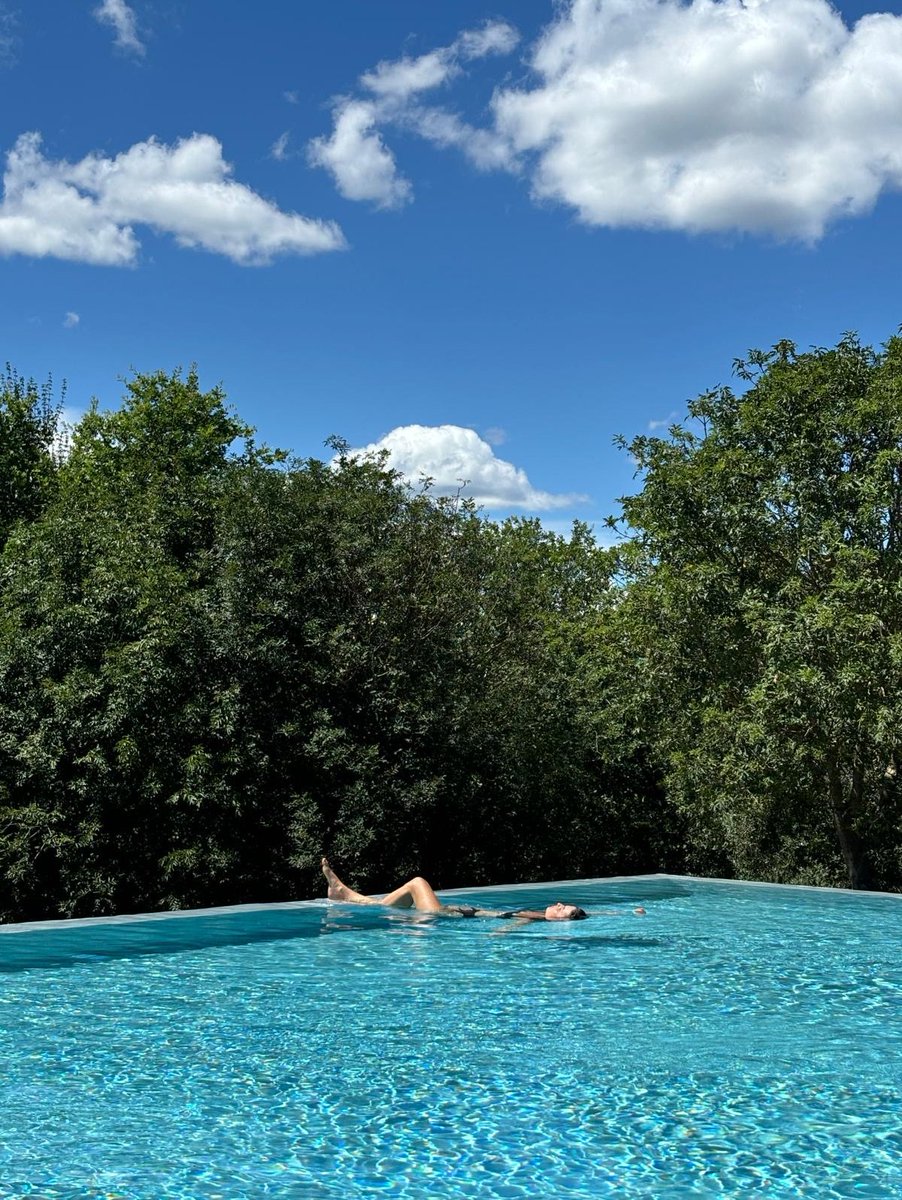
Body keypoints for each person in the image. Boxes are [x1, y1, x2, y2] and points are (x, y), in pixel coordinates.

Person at [321, 859, 645, 921]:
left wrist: (497, 937)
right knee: (406, 893)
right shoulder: (537, 916)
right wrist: (626, 911)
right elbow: (591, 915)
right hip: (451, 914)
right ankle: (350, 896)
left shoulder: (535, 919)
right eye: (563, 905)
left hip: (443, 918)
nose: (559, 905)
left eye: (564, 911)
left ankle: (349, 895)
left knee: (418, 882)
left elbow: (513, 924)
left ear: (561, 922)